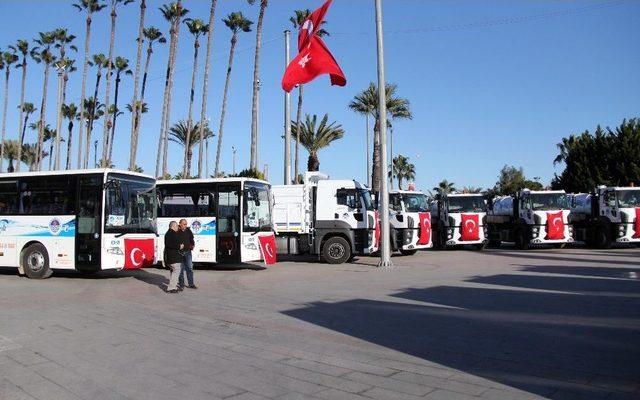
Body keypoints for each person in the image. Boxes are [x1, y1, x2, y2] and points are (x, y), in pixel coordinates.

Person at [164, 221, 184, 293]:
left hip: (173, 257)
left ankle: (174, 286)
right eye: (176, 226)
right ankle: (171, 288)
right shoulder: (170, 234)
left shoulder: (171, 233)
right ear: (172, 226)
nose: (177, 227)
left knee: (174, 272)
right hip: (173, 257)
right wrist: (180, 246)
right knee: (176, 271)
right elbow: (170, 244)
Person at [178, 219, 197, 289]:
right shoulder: (177, 231)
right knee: (181, 270)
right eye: (184, 224)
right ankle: (181, 285)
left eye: (186, 224)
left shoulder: (188, 230)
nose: (185, 226)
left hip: (188, 252)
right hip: (179, 253)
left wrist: (192, 244)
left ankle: (191, 284)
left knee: (190, 268)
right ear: (180, 224)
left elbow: (191, 238)